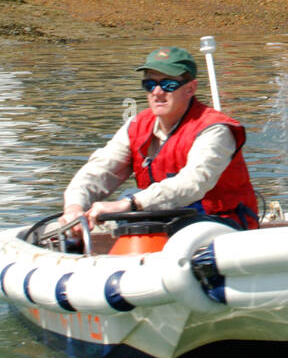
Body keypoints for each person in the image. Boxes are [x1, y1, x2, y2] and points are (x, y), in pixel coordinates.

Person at [59, 46, 259, 234]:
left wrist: (131, 203)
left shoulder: (215, 130)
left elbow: (193, 183)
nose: (157, 92)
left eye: (168, 84)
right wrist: (75, 207)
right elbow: (99, 172)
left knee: (129, 203)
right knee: (120, 209)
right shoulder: (136, 125)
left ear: (190, 89)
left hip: (221, 226)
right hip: (164, 218)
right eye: (150, 84)